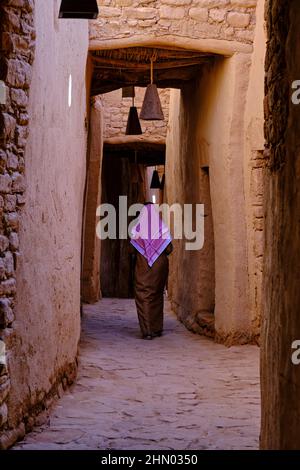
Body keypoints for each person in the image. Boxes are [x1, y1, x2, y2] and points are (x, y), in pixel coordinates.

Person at [130, 203, 173, 340]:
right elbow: (169, 249)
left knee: (144, 295)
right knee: (156, 295)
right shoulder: (162, 229)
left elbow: (131, 250)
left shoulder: (137, 230)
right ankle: (157, 328)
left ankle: (148, 330)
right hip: (160, 267)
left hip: (144, 267)